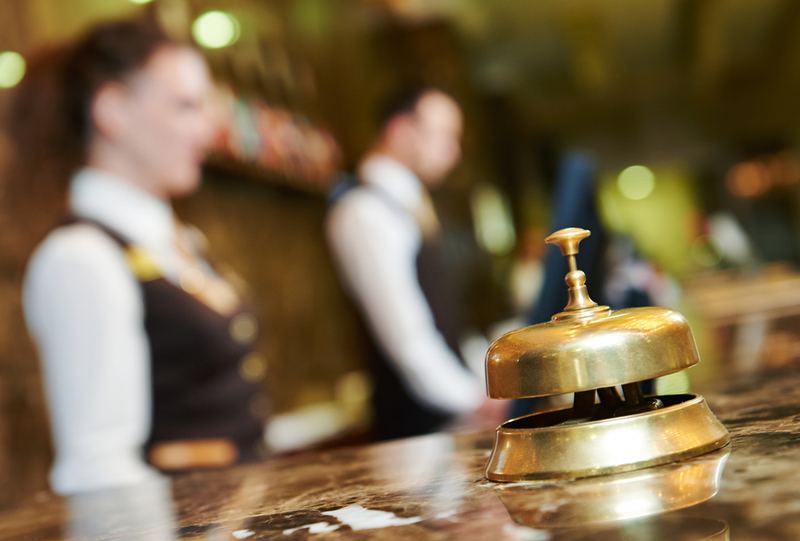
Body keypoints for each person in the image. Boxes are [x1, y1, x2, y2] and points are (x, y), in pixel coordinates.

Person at [10, 20, 266, 495]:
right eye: (185, 106)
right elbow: (99, 470)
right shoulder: (81, 257)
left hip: (233, 540)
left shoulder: (173, 240)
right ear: (113, 111)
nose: (207, 130)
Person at [325, 88, 503, 440]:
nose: (453, 151)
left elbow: (448, 321)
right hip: (416, 430)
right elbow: (407, 340)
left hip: (446, 419)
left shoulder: (408, 205)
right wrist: (474, 401)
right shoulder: (365, 210)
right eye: (444, 137)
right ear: (401, 131)